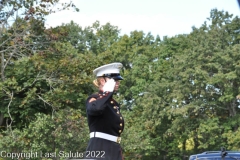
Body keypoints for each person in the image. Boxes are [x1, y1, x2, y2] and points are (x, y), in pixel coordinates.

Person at [85, 62, 125, 160]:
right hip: (99, 149)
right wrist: (107, 93)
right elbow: (95, 109)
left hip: (114, 150)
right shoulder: (94, 99)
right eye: (114, 80)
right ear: (102, 81)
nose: (118, 82)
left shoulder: (113, 103)